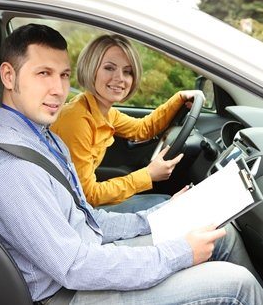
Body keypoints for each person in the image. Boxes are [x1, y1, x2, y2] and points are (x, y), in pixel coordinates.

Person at [0, 23, 263, 305]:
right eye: (43, 73)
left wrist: (159, 215)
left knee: (218, 230)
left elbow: (89, 219)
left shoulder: (41, 137)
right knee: (237, 283)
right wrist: (179, 253)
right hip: (69, 294)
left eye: (63, 75)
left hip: (88, 259)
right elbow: (75, 267)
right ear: (8, 76)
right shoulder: (8, 168)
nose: (58, 90)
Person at [50, 34, 202, 213]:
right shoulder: (77, 120)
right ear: (91, 69)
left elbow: (143, 129)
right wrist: (148, 175)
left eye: (127, 71)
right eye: (109, 68)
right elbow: (87, 195)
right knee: (168, 205)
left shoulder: (102, 111)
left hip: (77, 205)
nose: (120, 78)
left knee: (166, 203)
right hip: (72, 212)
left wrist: (178, 99)